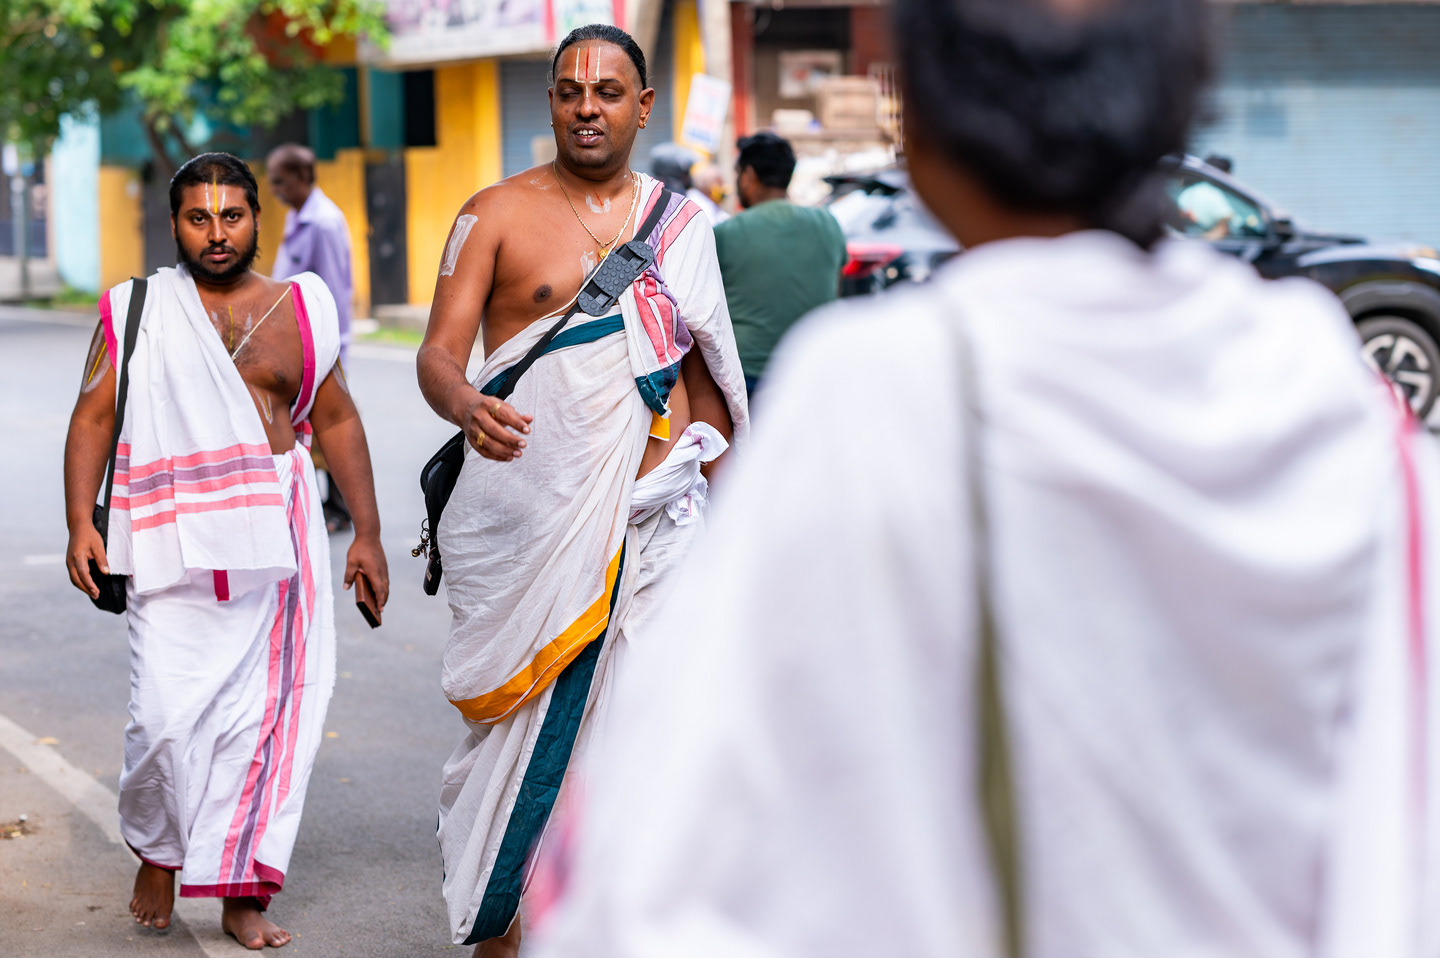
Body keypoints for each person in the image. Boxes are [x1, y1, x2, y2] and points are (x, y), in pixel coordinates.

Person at [534, 1, 1440, 957]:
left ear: (916, 128)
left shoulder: (875, 398)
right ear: (1182, 103)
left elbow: (641, 868)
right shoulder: (1336, 405)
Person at [415, 23, 747, 957]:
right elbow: (438, 355)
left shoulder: (682, 228)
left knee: (656, 727)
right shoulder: (493, 213)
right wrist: (466, 404)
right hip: (532, 521)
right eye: (569, 91)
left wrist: (740, 530)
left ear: (643, 107)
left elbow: (709, 383)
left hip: (659, 521)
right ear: (552, 102)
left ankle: (614, 921)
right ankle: (505, 919)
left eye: (607, 92)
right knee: (519, 734)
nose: (587, 108)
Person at [63, 152, 389, 951]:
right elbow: (93, 416)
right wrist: (80, 522)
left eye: (232, 216)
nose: (217, 233)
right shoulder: (137, 310)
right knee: (162, 717)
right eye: (198, 218)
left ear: (257, 219)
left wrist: (369, 534)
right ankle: (159, 849)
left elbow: (337, 419)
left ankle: (244, 890)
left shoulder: (298, 309)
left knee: (265, 718)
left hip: (278, 537)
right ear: (174, 225)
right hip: (169, 537)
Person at [713, 131, 846, 394]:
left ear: (748, 175)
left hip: (748, 377)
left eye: (737, 173)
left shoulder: (726, 233)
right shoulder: (829, 223)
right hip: (815, 372)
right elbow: (835, 289)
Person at [267, 143, 356, 532]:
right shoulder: (298, 216)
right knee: (306, 422)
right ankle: (322, 501)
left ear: (302, 177)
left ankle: (340, 506)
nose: (276, 190)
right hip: (293, 341)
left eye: (280, 182)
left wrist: (330, 350)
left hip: (319, 344)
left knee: (328, 423)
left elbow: (334, 291)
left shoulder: (323, 223)